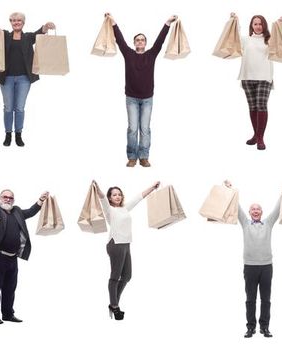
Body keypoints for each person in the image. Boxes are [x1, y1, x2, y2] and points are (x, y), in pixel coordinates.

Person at [0, 180, 46, 324]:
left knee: (10, 288)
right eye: (5, 197)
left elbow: (30, 212)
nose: (8, 199)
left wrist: (40, 200)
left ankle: (8, 314)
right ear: (0, 199)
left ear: (13, 200)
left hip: (13, 258)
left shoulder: (17, 211)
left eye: (10, 197)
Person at [108, 13, 176, 167]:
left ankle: (144, 156)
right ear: (134, 43)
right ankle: (132, 157)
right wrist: (113, 23)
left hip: (147, 99)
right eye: (137, 39)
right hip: (131, 97)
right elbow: (119, 40)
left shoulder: (152, 54)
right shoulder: (129, 54)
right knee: (132, 128)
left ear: (145, 43)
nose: (140, 41)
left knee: (145, 128)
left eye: (142, 40)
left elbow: (160, 41)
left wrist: (167, 23)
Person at [0, 13, 56, 147]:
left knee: (20, 108)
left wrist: (46, 26)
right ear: (10, 22)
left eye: (19, 20)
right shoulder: (5, 35)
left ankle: (18, 135)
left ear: (23, 22)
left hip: (24, 79)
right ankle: (8, 134)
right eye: (14, 20)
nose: (16, 22)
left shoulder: (28, 37)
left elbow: (40, 33)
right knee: (8, 108)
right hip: (7, 78)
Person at [94, 180, 160, 321]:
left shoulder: (124, 208)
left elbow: (138, 197)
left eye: (119, 194)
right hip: (115, 244)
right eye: (114, 195)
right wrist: (98, 188)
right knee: (115, 277)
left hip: (126, 244)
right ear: (110, 197)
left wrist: (153, 187)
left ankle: (114, 303)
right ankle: (115, 306)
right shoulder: (109, 210)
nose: (117, 196)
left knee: (127, 276)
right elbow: (102, 198)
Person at [226, 180, 282, 338]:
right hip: (250, 266)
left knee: (266, 299)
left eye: (258, 209)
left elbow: (277, 210)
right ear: (250, 212)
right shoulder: (245, 223)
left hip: (266, 266)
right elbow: (237, 207)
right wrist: (231, 189)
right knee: (250, 299)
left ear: (262, 212)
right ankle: (250, 327)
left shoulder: (268, 223)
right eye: (253, 209)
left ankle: (264, 327)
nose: (256, 210)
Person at [230, 13, 282, 151]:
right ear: (251, 26)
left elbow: (280, 35)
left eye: (260, 24)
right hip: (247, 76)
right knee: (252, 107)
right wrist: (235, 20)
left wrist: (280, 22)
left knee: (261, 105)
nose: (258, 26)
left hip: (264, 77)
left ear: (264, 25)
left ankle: (260, 138)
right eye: (255, 24)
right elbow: (234, 36)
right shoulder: (246, 40)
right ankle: (255, 135)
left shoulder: (270, 40)